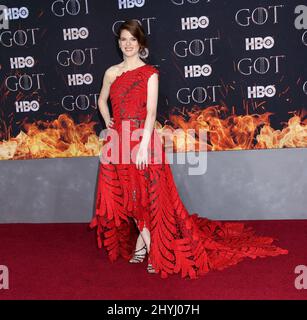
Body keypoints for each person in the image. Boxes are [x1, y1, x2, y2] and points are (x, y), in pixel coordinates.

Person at [90, 20, 288, 279]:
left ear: (141, 43)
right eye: (124, 39)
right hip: (118, 140)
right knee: (130, 195)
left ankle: (152, 248)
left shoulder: (150, 73)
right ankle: (146, 244)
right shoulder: (111, 72)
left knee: (151, 195)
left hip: (143, 140)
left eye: (133, 40)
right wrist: (107, 120)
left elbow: (150, 112)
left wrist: (142, 147)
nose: (128, 44)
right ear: (118, 42)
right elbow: (101, 99)